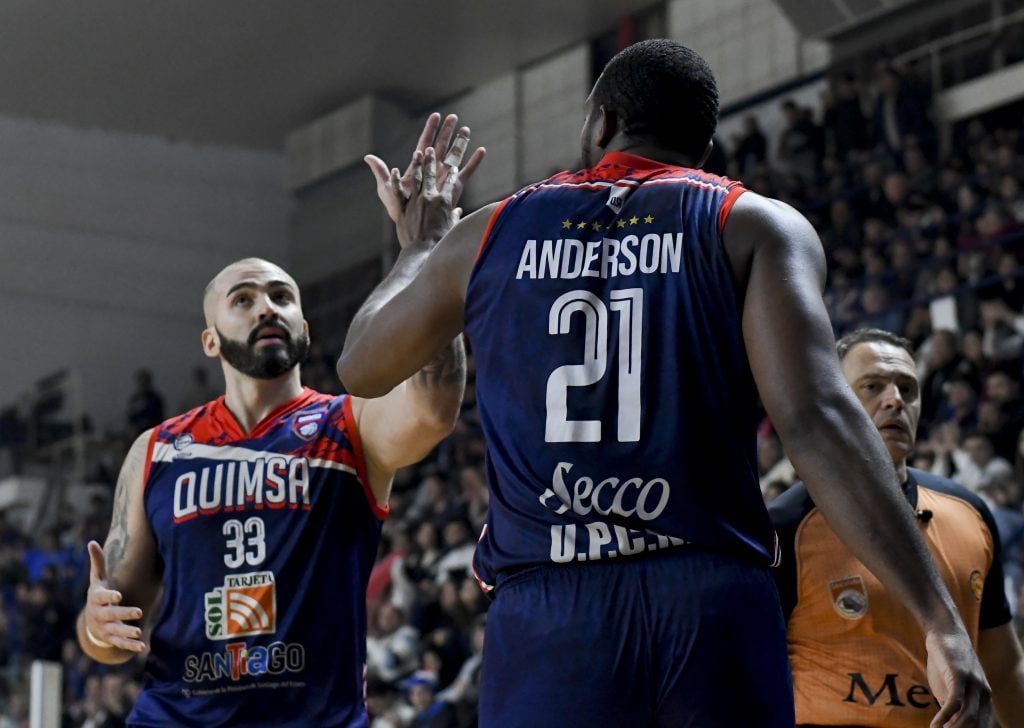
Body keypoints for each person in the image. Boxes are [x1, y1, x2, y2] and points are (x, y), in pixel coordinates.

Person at [340, 39, 989, 726]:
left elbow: (363, 365)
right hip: (710, 599)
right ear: (703, 145)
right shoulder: (753, 223)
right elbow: (815, 420)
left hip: (551, 608)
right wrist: (938, 619)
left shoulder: (487, 231)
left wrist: (419, 246)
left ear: (602, 124)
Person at [76, 116, 481, 727]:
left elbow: (433, 408)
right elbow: (110, 631)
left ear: (304, 328)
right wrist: (95, 623)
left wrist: (427, 251)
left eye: (281, 296)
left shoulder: (350, 426)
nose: (266, 306)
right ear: (211, 342)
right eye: (244, 299)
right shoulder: (158, 450)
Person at [770, 328, 1024, 727]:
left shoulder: (970, 513)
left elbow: (1005, 669)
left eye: (908, 389)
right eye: (872, 386)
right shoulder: (787, 526)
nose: (895, 401)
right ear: (833, 399)